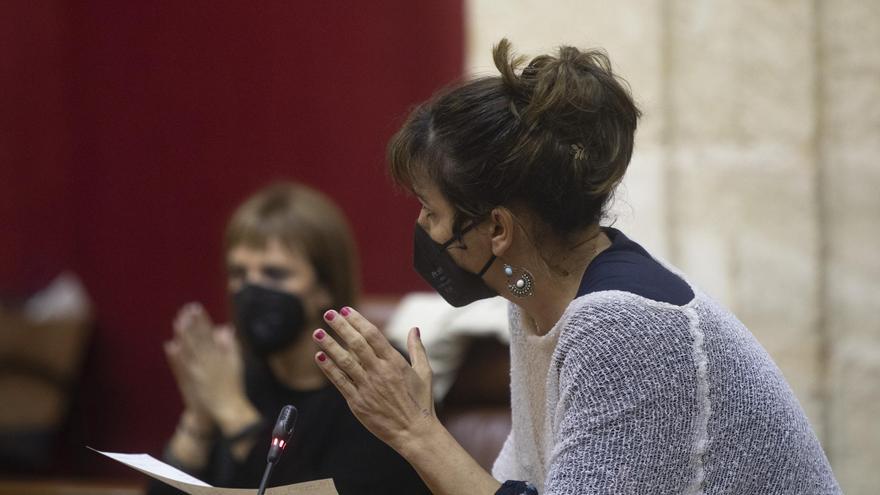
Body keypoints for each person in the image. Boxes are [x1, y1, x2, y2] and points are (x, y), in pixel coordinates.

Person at [307, 40, 841, 495]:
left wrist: (414, 429)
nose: (423, 227)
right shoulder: (534, 305)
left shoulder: (624, 327)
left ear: (497, 229)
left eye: (431, 210)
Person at [149, 183, 430, 495]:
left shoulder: (375, 376)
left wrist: (231, 410)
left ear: (324, 289)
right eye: (239, 274)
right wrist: (199, 417)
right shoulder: (236, 369)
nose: (251, 290)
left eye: (274, 274)